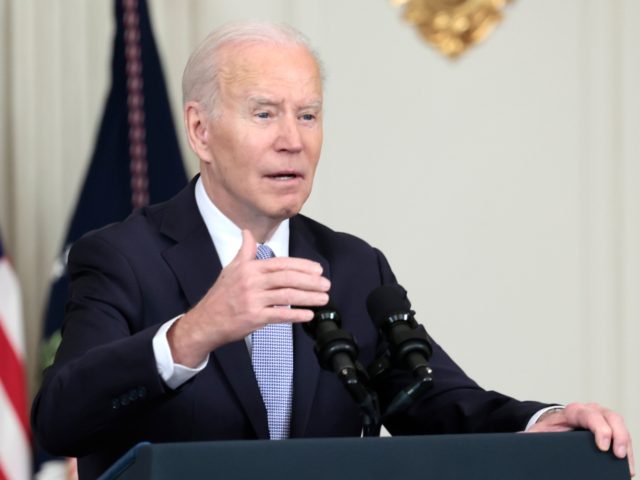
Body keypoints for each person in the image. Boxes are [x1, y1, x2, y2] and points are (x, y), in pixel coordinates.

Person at [31, 21, 634, 479]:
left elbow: (436, 402)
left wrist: (541, 423)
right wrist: (192, 334)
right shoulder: (122, 258)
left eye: (309, 115)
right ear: (199, 130)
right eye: (264, 113)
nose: (293, 140)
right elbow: (60, 419)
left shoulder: (351, 265)